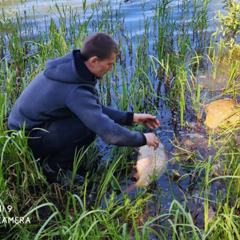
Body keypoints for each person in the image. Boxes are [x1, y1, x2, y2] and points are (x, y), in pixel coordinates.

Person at [8, 32, 160, 185]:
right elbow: (109, 134)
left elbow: (91, 108)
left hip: (30, 128)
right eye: (109, 64)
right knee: (86, 129)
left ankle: (61, 157)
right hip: (25, 139)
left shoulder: (71, 68)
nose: (111, 69)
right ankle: (53, 169)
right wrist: (143, 139)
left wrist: (131, 117)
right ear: (94, 60)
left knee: (86, 120)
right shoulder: (74, 90)